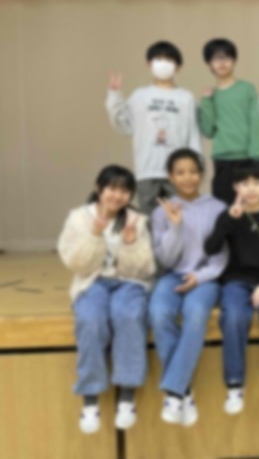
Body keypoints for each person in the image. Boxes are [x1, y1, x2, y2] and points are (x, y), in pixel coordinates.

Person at [57, 165, 155, 434]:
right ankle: (90, 398)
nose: (117, 195)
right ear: (99, 188)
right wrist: (94, 235)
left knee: (128, 316)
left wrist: (130, 243)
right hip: (92, 281)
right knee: (91, 319)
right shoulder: (78, 218)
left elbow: (144, 268)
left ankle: (127, 395)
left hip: (129, 283)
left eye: (124, 190)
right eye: (112, 188)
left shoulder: (137, 220)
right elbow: (76, 264)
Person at [204, 162, 259, 414]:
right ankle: (234, 384)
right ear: (236, 187)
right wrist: (229, 220)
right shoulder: (229, 214)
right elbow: (210, 248)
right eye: (244, 183)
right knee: (233, 316)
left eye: (257, 183)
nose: (251, 189)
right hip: (235, 279)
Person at [149, 149, 229, 426]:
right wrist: (175, 226)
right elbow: (166, 260)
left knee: (195, 315)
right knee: (158, 313)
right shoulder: (160, 212)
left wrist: (201, 276)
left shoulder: (218, 208)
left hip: (206, 277)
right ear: (170, 177)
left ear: (202, 174)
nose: (188, 178)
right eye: (180, 172)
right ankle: (184, 390)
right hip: (173, 275)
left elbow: (221, 257)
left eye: (193, 171)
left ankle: (174, 392)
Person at [105, 40, 201, 214]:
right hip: (146, 170)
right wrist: (115, 96)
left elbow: (193, 134)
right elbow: (125, 126)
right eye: (158, 59)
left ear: (178, 67)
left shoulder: (186, 97)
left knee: (181, 217)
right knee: (148, 220)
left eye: (169, 60)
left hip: (179, 172)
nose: (163, 64)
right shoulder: (140, 95)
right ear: (149, 64)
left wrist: (196, 166)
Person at [198, 38, 259, 204]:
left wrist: (257, 158)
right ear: (209, 64)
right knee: (223, 205)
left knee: (250, 204)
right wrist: (206, 102)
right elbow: (208, 131)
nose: (222, 62)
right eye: (216, 58)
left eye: (226, 57)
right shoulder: (211, 95)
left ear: (234, 60)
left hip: (247, 157)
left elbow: (255, 123)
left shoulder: (246, 88)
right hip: (222, 157)